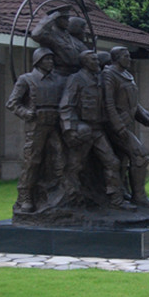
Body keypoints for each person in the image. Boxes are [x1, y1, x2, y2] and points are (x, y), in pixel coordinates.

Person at [59, 49, 135, 211]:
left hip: (98, 130)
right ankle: (70, 199)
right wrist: (71, 129)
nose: (98, 63)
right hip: (82, 131)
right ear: (85, 63)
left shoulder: (101, 79)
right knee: (75, 166)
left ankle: (116, 200)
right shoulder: (76, 79)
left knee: (112, 162)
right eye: (94, 60)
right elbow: (66, 106)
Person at [6, 47, 66, 213]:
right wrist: (26, 113)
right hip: (36, 125)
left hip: (54, 124)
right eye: (47, 59)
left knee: (60, 158)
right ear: (38, 61)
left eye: (51, 59)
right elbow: (12, 103)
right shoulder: (27, 79)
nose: (50, 62)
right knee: (32, 161)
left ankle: (56, 195)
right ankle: (25, 196)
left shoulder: (58, 80)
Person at [102, 46, 149, 208]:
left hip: (127, 123)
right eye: (126, 56)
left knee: (122, 161)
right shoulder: (109, 74)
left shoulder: (127, 75)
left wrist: (148, 119)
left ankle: (122, 193)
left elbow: (134, 103)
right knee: (140, 156)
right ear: (117, 58)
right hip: (116, 126)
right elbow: (108, 103)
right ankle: (139, 196)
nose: (129, 59)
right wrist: (117, 124)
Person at [30, 4, 86, 76]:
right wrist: (51, 17)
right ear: (57, 19)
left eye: (68, 18)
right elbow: (36, 34)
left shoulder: (71, 37)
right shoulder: (51, 35)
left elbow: (84, 52)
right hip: (59, 75)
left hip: (75, 74)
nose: (68, 22)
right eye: (65, 19)